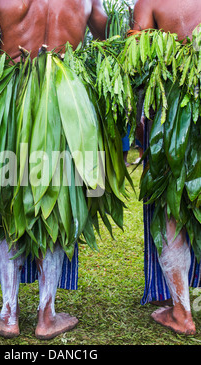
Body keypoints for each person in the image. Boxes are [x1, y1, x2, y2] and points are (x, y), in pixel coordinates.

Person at [0, 0, 108, 340]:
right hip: (65, 102)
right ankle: (47, 315)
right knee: (54, 206)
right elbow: (102, 22)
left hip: (12, 100)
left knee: (10, 203)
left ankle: (8, 313)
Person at [132, 0, 201, 335]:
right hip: (178, 105)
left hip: (172, 108)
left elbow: (135, 55)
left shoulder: (151, 2)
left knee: (170, 208)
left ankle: (181, 312)